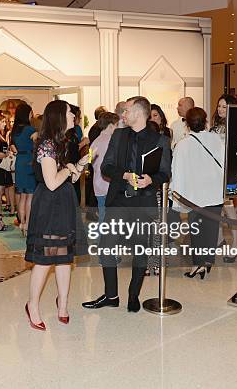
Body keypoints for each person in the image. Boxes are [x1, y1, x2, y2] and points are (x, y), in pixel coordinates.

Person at [83, 96, 171, 312]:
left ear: (140, 112)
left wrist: (151, 179)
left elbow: (165, 173)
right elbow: (106, 167)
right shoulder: (119, 135)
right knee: (106, 247)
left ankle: (133, 295)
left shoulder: (159, 140)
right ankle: (111, 295)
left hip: (143, 203)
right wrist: (124, 175)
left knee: (140, 250)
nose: (123, 114)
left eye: (127, 110)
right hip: (118, 200)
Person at [25, 100, 87, 330]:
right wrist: (68, 168)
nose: (74, 117)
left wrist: (79, 165)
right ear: (60, 116)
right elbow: (52, 182)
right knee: (44, 259)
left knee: (64, 257)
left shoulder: (62, 142)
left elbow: (67, 178)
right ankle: (33, 306)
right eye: (71, 114)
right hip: (49, 204)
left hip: (64, 202)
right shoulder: (47, 145)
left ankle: (63, 304)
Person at [171, 107, 225, 279]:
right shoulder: (217, 139)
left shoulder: (183, 145)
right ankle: (207, 262)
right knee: (211, 229)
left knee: (197, 232)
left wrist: (178, 198)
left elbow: (177, 172)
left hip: (195, 195)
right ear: (205, 121)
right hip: (215, 192)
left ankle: (198, 265)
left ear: (186, 124)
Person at [209, 94, 237, 260]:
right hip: (214, 171)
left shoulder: (236, 126)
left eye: (224, 106)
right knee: (217, 208)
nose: (220, 109)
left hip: (228, 172)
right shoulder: (214, 127)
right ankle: (220, 240)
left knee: (229, 209)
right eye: (219, 106)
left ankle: (236, 244)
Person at [10, 104, 38, 236]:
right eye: (31, 112)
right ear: (27, 114)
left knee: (22, 196)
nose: (32, 115)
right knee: (30, 196)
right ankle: (28, 224)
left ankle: (22, 223)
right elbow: (38, 143)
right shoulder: (30, 130)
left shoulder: (15, 130)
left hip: (19, 161)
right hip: (29, 161)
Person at [89, 112, 119, 222]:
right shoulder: (110, 141)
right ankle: (104, 239)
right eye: (116, 125)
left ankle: (101, 238)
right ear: (111, 126)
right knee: (109, 218)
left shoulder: (95, 142)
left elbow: (90, 161)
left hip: (97, 184)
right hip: (107, 184)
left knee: (102, 215)